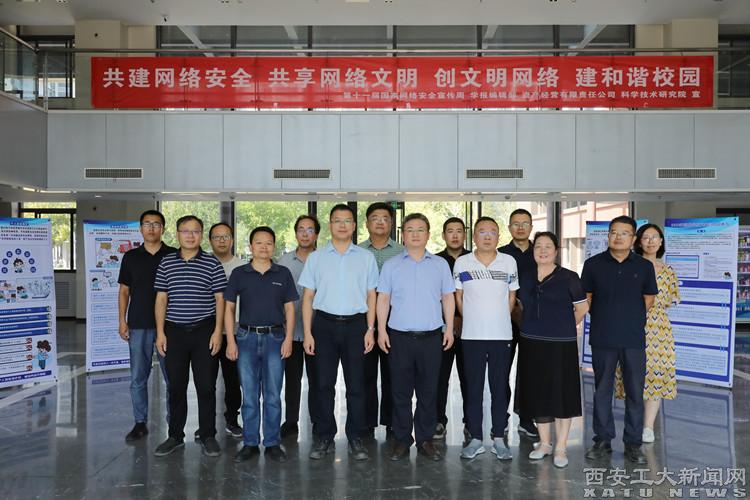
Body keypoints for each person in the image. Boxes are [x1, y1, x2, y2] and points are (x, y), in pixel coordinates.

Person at [299, 203, 379, 461]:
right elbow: (308, 297)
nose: (342, 225)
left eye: (347, 221)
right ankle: (324, 436)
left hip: (357, 326)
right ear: (330, 225)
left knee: (357, 385)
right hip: (323, 326)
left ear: (354, 226)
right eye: (337, 221)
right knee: (323, 385)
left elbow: (372, 295)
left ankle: (356, 436)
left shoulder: (365, 258)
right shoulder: (316, 258)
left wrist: (370, 329)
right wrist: (308, 332)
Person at [377, 213, 455, 461]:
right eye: (410, 229)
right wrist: (381, 330)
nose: (415, 234)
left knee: (428, 391)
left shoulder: (440, 265)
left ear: (428, 234)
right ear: (403, 234)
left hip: (431, 338)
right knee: (400, 391)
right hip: (399, 337)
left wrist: (449, 328)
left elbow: (448, 297)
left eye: (420, 229)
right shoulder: (391, 265)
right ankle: (402, 439)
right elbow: (383, 299)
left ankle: (425, 439)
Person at [582, 215, 658, 465]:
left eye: (624, 233)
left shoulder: (644, 266)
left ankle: (633, 443)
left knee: (635, 391)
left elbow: (649, 298)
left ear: (633, 238)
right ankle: (602, 440)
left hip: (633, 338)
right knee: (602, 390)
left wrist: (630, 318)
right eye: (614, 232)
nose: (618, 237)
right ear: (608, 235)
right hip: (603, 337)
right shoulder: (593, 264)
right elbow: (587, 297)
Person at [153, 215, 227, 458]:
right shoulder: (166, 263)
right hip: (173, 332)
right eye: (185, 231)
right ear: (177, 234)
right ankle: (175, 435)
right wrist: (160, 332)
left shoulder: (212, 263)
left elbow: (220, 299)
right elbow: (161, 298)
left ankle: (208, 435)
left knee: (206, 386)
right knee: (176, 386)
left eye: (195, 231)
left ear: (201, 235)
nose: (190, 235)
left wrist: (217, 332)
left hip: (204, 331)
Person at [225, 226, 298, 463]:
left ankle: (273, 443)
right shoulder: (239, 273)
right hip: (245, 338)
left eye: (268, 243)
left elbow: (290, 309)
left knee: (273, 395)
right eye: (259, 242)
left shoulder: (283, 273)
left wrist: (288, 339)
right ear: (250, 246)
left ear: (274, 246)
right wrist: (231, 341)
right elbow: (229, 308)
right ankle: (250, 443)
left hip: (275, 338)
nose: (264, 247)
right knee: (249, 395)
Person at [516, 232, 589, 468]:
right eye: (538, 246)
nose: (543, 250)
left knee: (561, 394)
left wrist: (563, 327)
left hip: (561, 345)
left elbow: (582, 309)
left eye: (548, 246)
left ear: (556, 251)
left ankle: (560, 447)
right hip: (531, 343)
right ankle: (545, 443)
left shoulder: (569, 277)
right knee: (538, 393)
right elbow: (520, 306)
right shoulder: (525, 277)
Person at [454, 216, 518, 460]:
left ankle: (499, 438)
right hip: (471, 336)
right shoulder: (462, 263)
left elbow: (511, 298)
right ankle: (476, 438)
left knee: (500, 387)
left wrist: (498, 318)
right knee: (473, 388)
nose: (488, 236)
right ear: (474, 236)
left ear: (499, 236)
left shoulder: (509, 262)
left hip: (501, 335)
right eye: (482, 231)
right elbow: (459, 297)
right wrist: (471, 318)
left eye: (492, 231)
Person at [614, 223, 680, 444]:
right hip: (631, 324)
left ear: (661, 242)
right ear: (638, 241)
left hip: (659, 329)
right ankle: (633, 423)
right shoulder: (630, 266)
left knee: (656, 374)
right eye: (646, 237)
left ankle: (648, 427)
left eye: (655, 237)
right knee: (632, 375)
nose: (651, 241)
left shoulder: (668, 270)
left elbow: (669, 301)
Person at [118, 209, 176, 443]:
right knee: (138, 377)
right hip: (139, 324)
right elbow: (124, 291)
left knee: (173, 377)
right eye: (147, 224)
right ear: (140, 228)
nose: (152, 228)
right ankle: (140, 422)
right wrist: (122, 320)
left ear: (163, 229)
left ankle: (175, 423)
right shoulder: (131, 257)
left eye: (156, 224)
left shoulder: (173, 255)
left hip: (170, 326)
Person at [359, 202, 403, 438]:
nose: (380, 222)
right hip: (362, 321)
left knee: (393, 374)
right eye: (375, 218)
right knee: (363, 374)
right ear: (367, 223)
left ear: (391, 223)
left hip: (394, 320)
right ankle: (366, 422)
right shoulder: (356, 252)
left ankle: (392, 421)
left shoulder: (402, 252)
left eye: (385, 218)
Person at [278, 214, 320, 439]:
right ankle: (291, 420)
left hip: (319, 330)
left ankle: (318, 420)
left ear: (317, 234)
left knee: (319, 380)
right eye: (301, 229)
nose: (305, 234)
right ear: (295, 234)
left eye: (310, 229)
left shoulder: (324, 259)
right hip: (290, 332)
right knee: (292, 379)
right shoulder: (283, 261)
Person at [498, 208, 539, 439]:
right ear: (509, 227)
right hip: (505, 320)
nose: (521, 227)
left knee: (530, 371)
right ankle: (501, 418)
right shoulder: (501, 254)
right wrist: (512, 309)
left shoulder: (540, 252)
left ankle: (526, 419)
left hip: (534, 322)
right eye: (516, 223)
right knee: (501, 370)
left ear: (531, 227)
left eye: (525, 223)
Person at [205, 222, 244, 440]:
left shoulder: (242, 267)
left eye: (225, 236)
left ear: (232, 239)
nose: (221, 240)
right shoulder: (203, 264)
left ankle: (232, 419)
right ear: (210, 240)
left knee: (232, 379)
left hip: (234, 332)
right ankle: (206, 424)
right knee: (206, 380)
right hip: (206, 329)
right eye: (217, 237)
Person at [434, 217, 470, 441]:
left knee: (470, 378)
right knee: (439, 377)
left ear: (465, 235)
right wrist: (449, 320)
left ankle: (470, 422)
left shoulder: (474, 260)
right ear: (443, 235)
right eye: (450, 231)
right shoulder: (435, 261)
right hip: (441, 329)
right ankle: (438, 420)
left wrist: (462, 318)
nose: (455, 235)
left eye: (459, 231)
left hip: (470, 328)